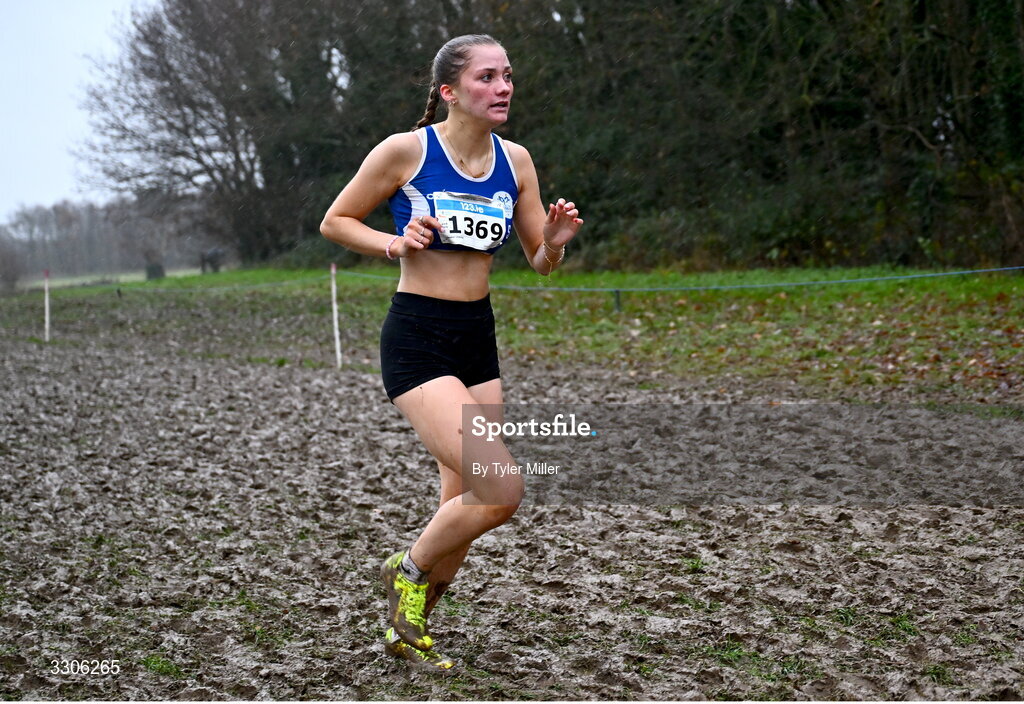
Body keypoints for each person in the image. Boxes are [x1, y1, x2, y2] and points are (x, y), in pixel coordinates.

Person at [319, 33, 583, 672]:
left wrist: (555, 240)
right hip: (418, 336)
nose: (503, 87)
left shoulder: (515, 161)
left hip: (476, 339)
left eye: (508, 76)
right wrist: (394, 242)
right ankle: (403, 569)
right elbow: (336, 220)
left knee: (460, 500)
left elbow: (539, 263)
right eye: (487, 77)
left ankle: (408, 633)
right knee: (501, 489)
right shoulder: (406, 151)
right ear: (449, 91)